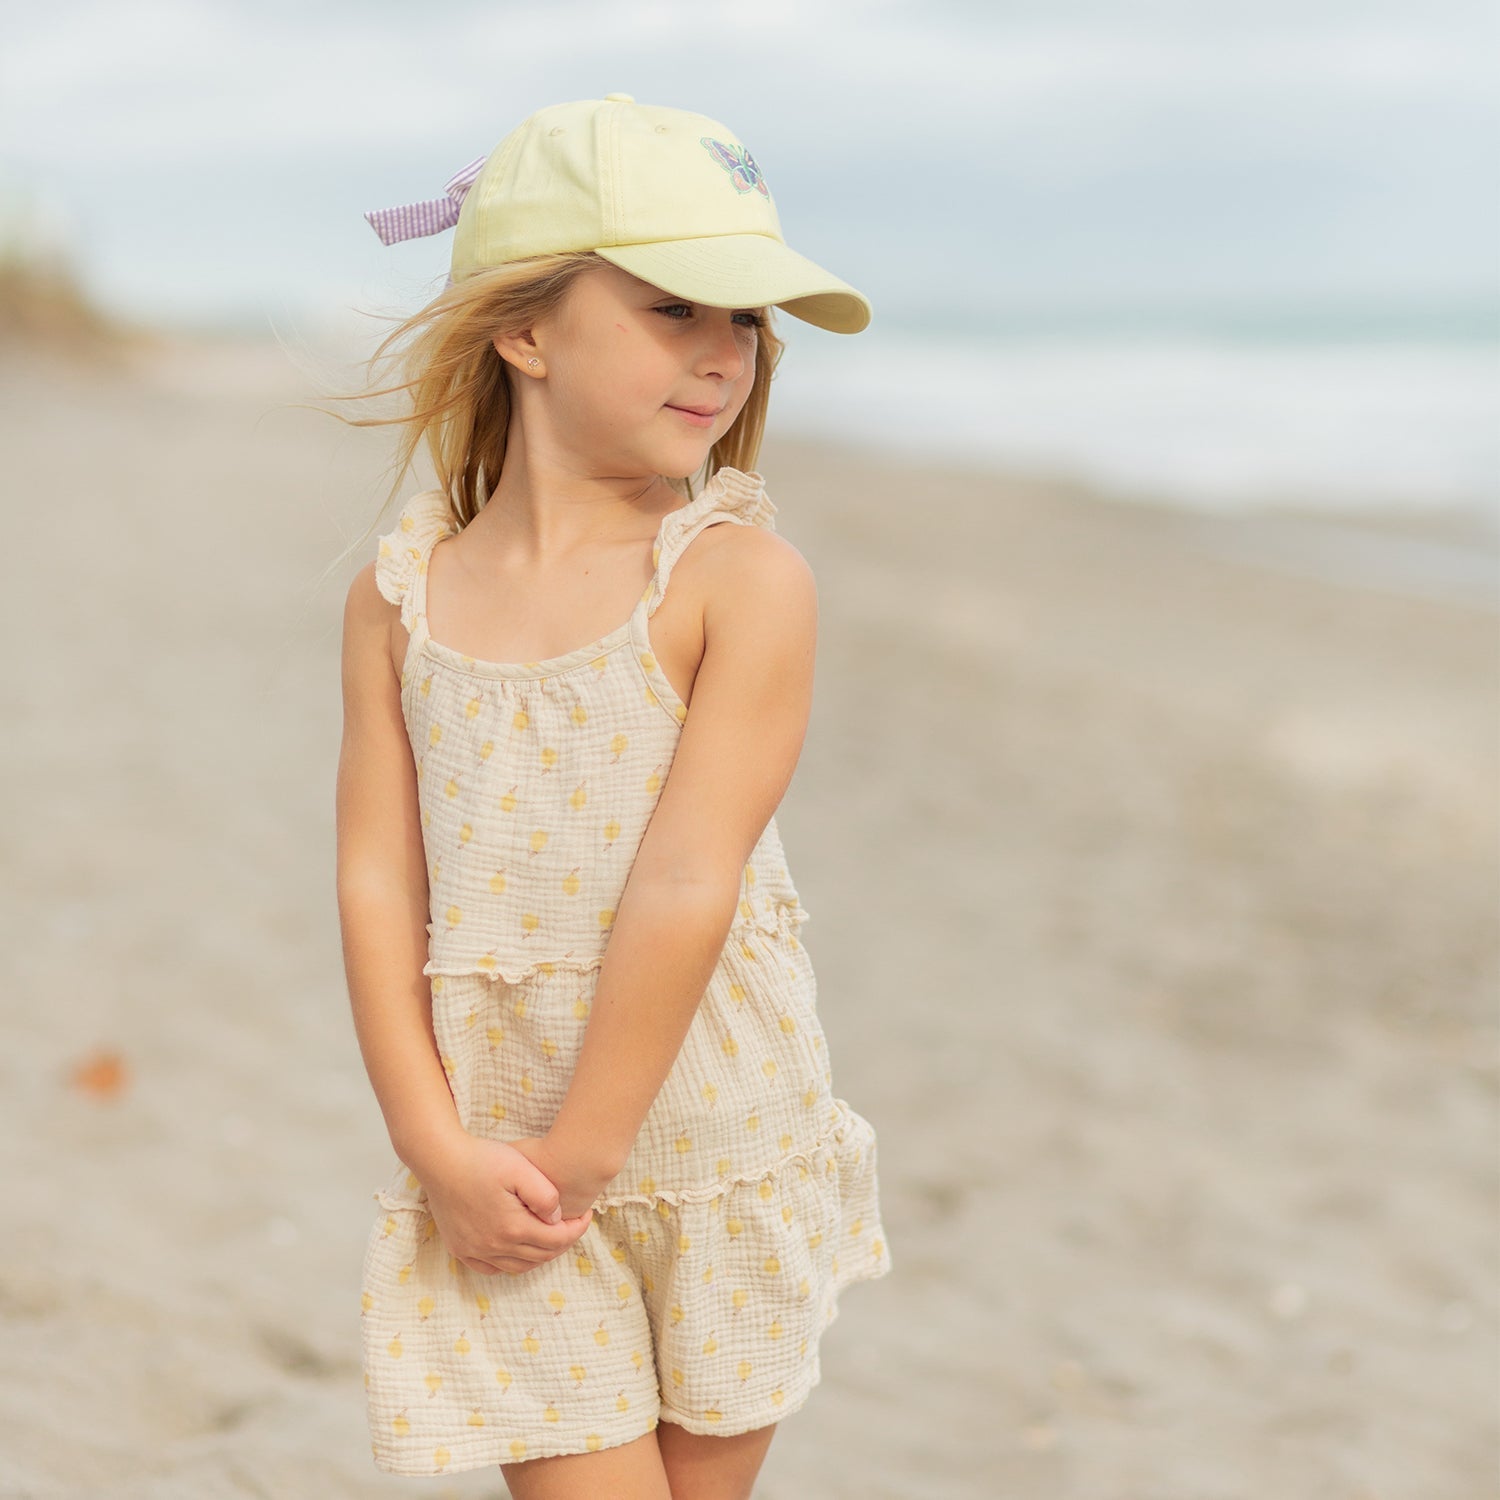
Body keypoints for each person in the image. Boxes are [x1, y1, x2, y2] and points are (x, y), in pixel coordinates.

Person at [334, 94, 891, 1499]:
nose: (722, 358)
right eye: (673, 310)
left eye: (746, 323)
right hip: (504, 1155)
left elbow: (690, 876)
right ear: (525, 331)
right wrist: (433, 1142)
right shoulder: (400, 597)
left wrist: (594, 1146)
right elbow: (375, 879)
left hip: (714, 1133)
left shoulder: (736, 582)